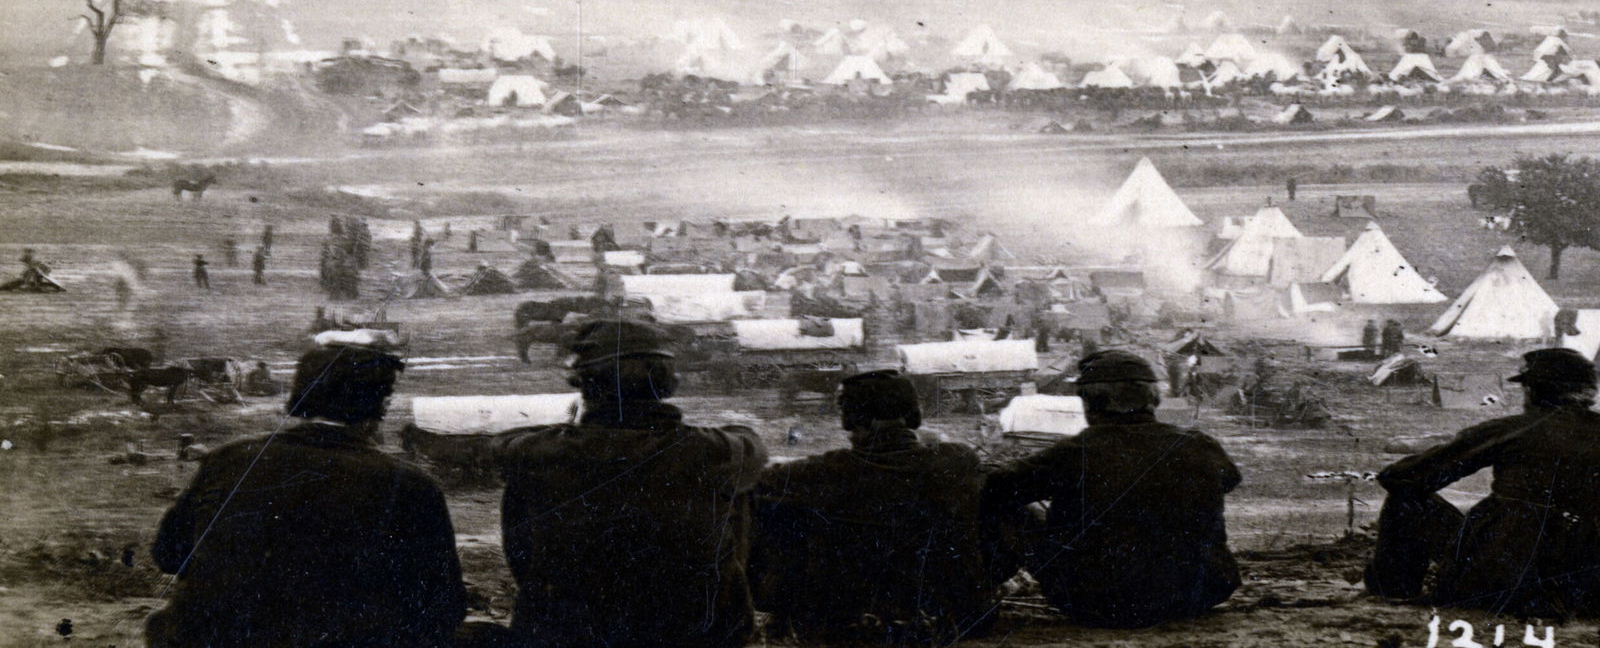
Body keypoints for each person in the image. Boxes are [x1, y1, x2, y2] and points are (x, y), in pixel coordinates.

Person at [147, 345, 466, 647]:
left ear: (298, 395)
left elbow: (169, 554)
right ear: (382, 406)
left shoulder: (228, 458)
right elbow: (445, 603)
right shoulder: (410, 484)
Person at [496, 318, 767, 648]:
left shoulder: (538, 452)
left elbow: (505, 451)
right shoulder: (718, 450)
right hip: (694, 631)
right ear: (667, 384)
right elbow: (750, 443)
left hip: (571, 631)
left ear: (582, 384)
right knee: (736, 493)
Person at [984, 349, 1242, 628]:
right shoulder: (1198, 443)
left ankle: (976, 593)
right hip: (1202, 592)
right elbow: (1229, 480)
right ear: (1153, 399)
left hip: (1099, 601)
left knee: (1014, 512)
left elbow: (994, 489)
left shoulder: (1075, 452)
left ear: (1089, 402)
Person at [752, 370, 1013, 643]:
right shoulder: (959, 460)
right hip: (954, 618)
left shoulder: (822, 472)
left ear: (849, 419)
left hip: (845, 626)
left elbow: (756, 482)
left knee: (773, 512)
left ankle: (780, 613)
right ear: (914, 415)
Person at [1365, 348, 1600, 616]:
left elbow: (1402, 479)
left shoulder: (1511, 430)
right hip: (1585, 591)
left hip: (1493, 581)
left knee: (1405, 501)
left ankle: (1392, 593)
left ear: (1533, 390)